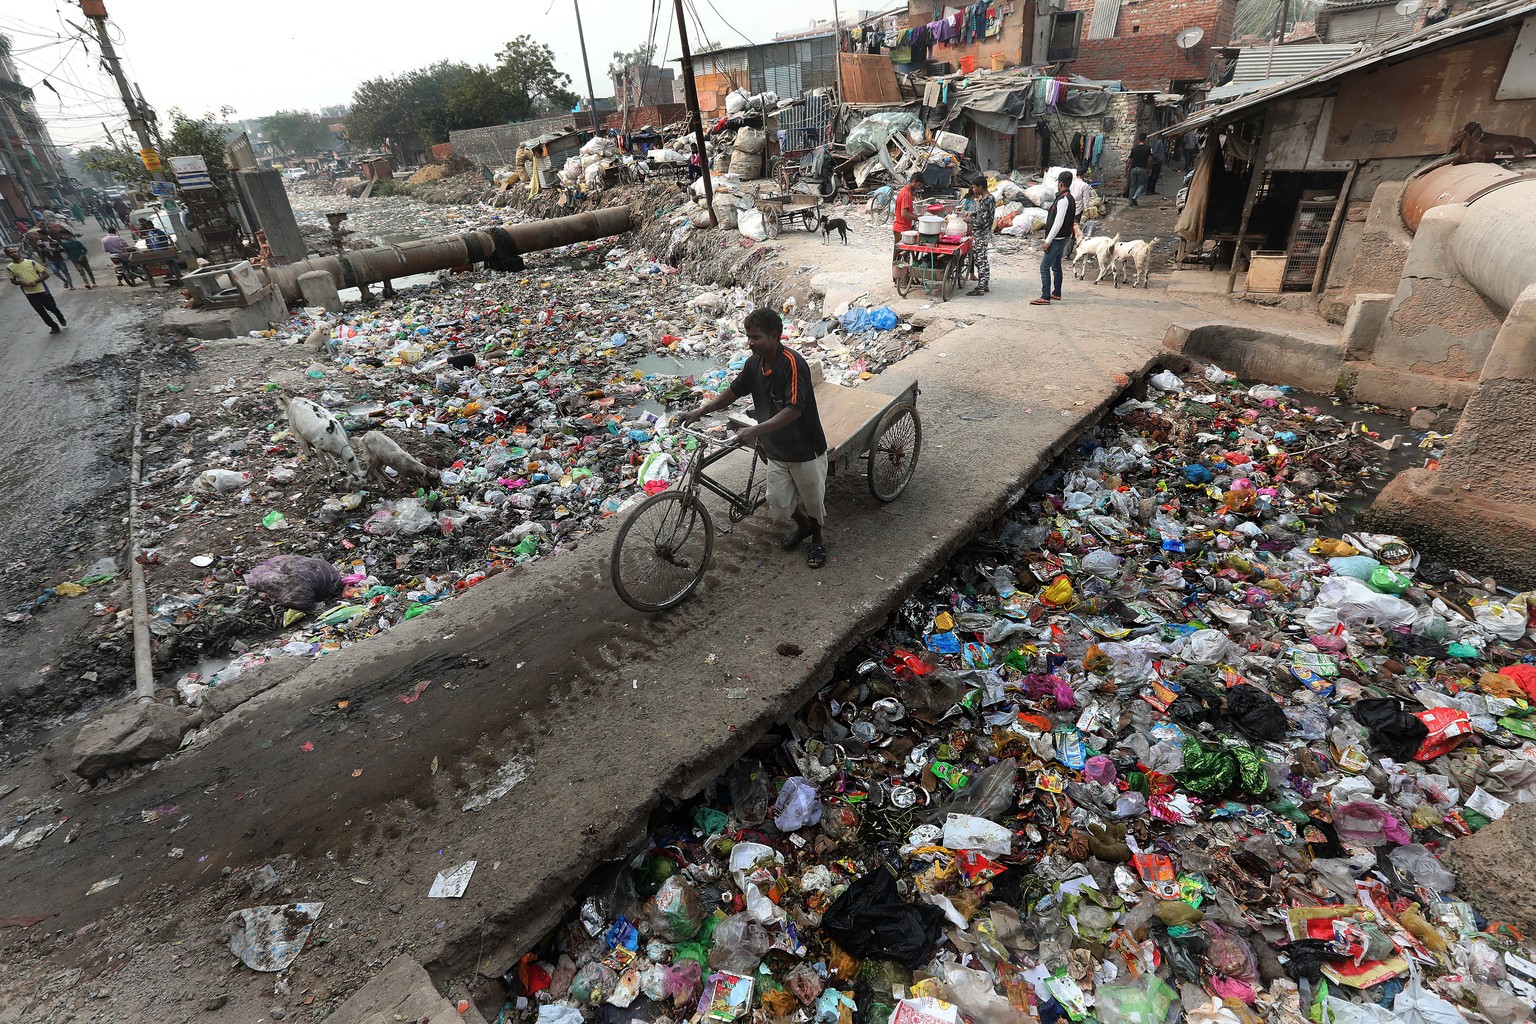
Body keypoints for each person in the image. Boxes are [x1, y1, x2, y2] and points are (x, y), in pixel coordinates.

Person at [679, 307, 830, 569]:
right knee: (778, 500)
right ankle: (804, 526)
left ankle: (817, 539)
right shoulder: (754, 364)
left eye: (756, 337)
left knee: (812, 499)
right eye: (748, 337)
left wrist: (755, 430)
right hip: (775, 447)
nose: (750, 343)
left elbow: (794, 410)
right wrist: (700, 411)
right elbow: (733, 392)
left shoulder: (793, 364)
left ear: (774, 336)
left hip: (804, 447)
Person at [1031, 170, 1076, 306]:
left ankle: (1045, 296)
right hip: (1063, 237)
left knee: (1044, 267)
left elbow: (1058, 223)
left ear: (1060, 183)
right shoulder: (1069, 198)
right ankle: (1056, 292)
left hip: (1057, 238)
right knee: (1056, 266)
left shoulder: (1063, 200)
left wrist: (1047, 241)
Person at [5, 244, 67, 333]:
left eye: (14, 251)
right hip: (29, 293)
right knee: (41, 311)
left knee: (52, 307)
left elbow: (46, 275)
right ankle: (53, 326)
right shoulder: (10, 267)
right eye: (11, 253)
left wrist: (36, 281)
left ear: (18, 252)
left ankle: (60, 316)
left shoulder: (31, 262)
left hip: (42, 290)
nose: (14, 254)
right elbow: (13, 280)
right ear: (8, 255)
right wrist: (21, 282)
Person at [965, 177, 995, 297]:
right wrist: (974, 214)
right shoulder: (988, 199)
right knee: (983, 259)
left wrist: (970, 220)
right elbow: (983, 215)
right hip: (984, 233)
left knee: (980, 260)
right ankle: (985, 283)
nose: (973, 189)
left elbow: (982, 221)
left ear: (980, 187)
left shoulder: (987, 200)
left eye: (974, 187)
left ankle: (981, 287)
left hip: (981, 233)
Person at [892, 170, 920, 263]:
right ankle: (897, 275)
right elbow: (904, 214)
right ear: (914, 181)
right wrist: (918, 218)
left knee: (900, 255)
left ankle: (900, 275)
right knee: (899, 256)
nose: (918, 188)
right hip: (901, 228)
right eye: (918, 185)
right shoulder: (906, 193)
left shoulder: (906, 191)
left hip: (902, 227)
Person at [1126, 133, 1152, 206]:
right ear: (1145, 139)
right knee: (1142, 184)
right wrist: (1150, 169)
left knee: (1133, 186)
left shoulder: (1134, 149)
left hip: (1133, 169)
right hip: (1142, 169)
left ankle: (1130, 204)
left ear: (1138, 140)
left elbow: (1129, 160)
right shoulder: (1148, 148)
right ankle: (1135, 196)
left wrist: (1126, 170)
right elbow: (1150, 160)